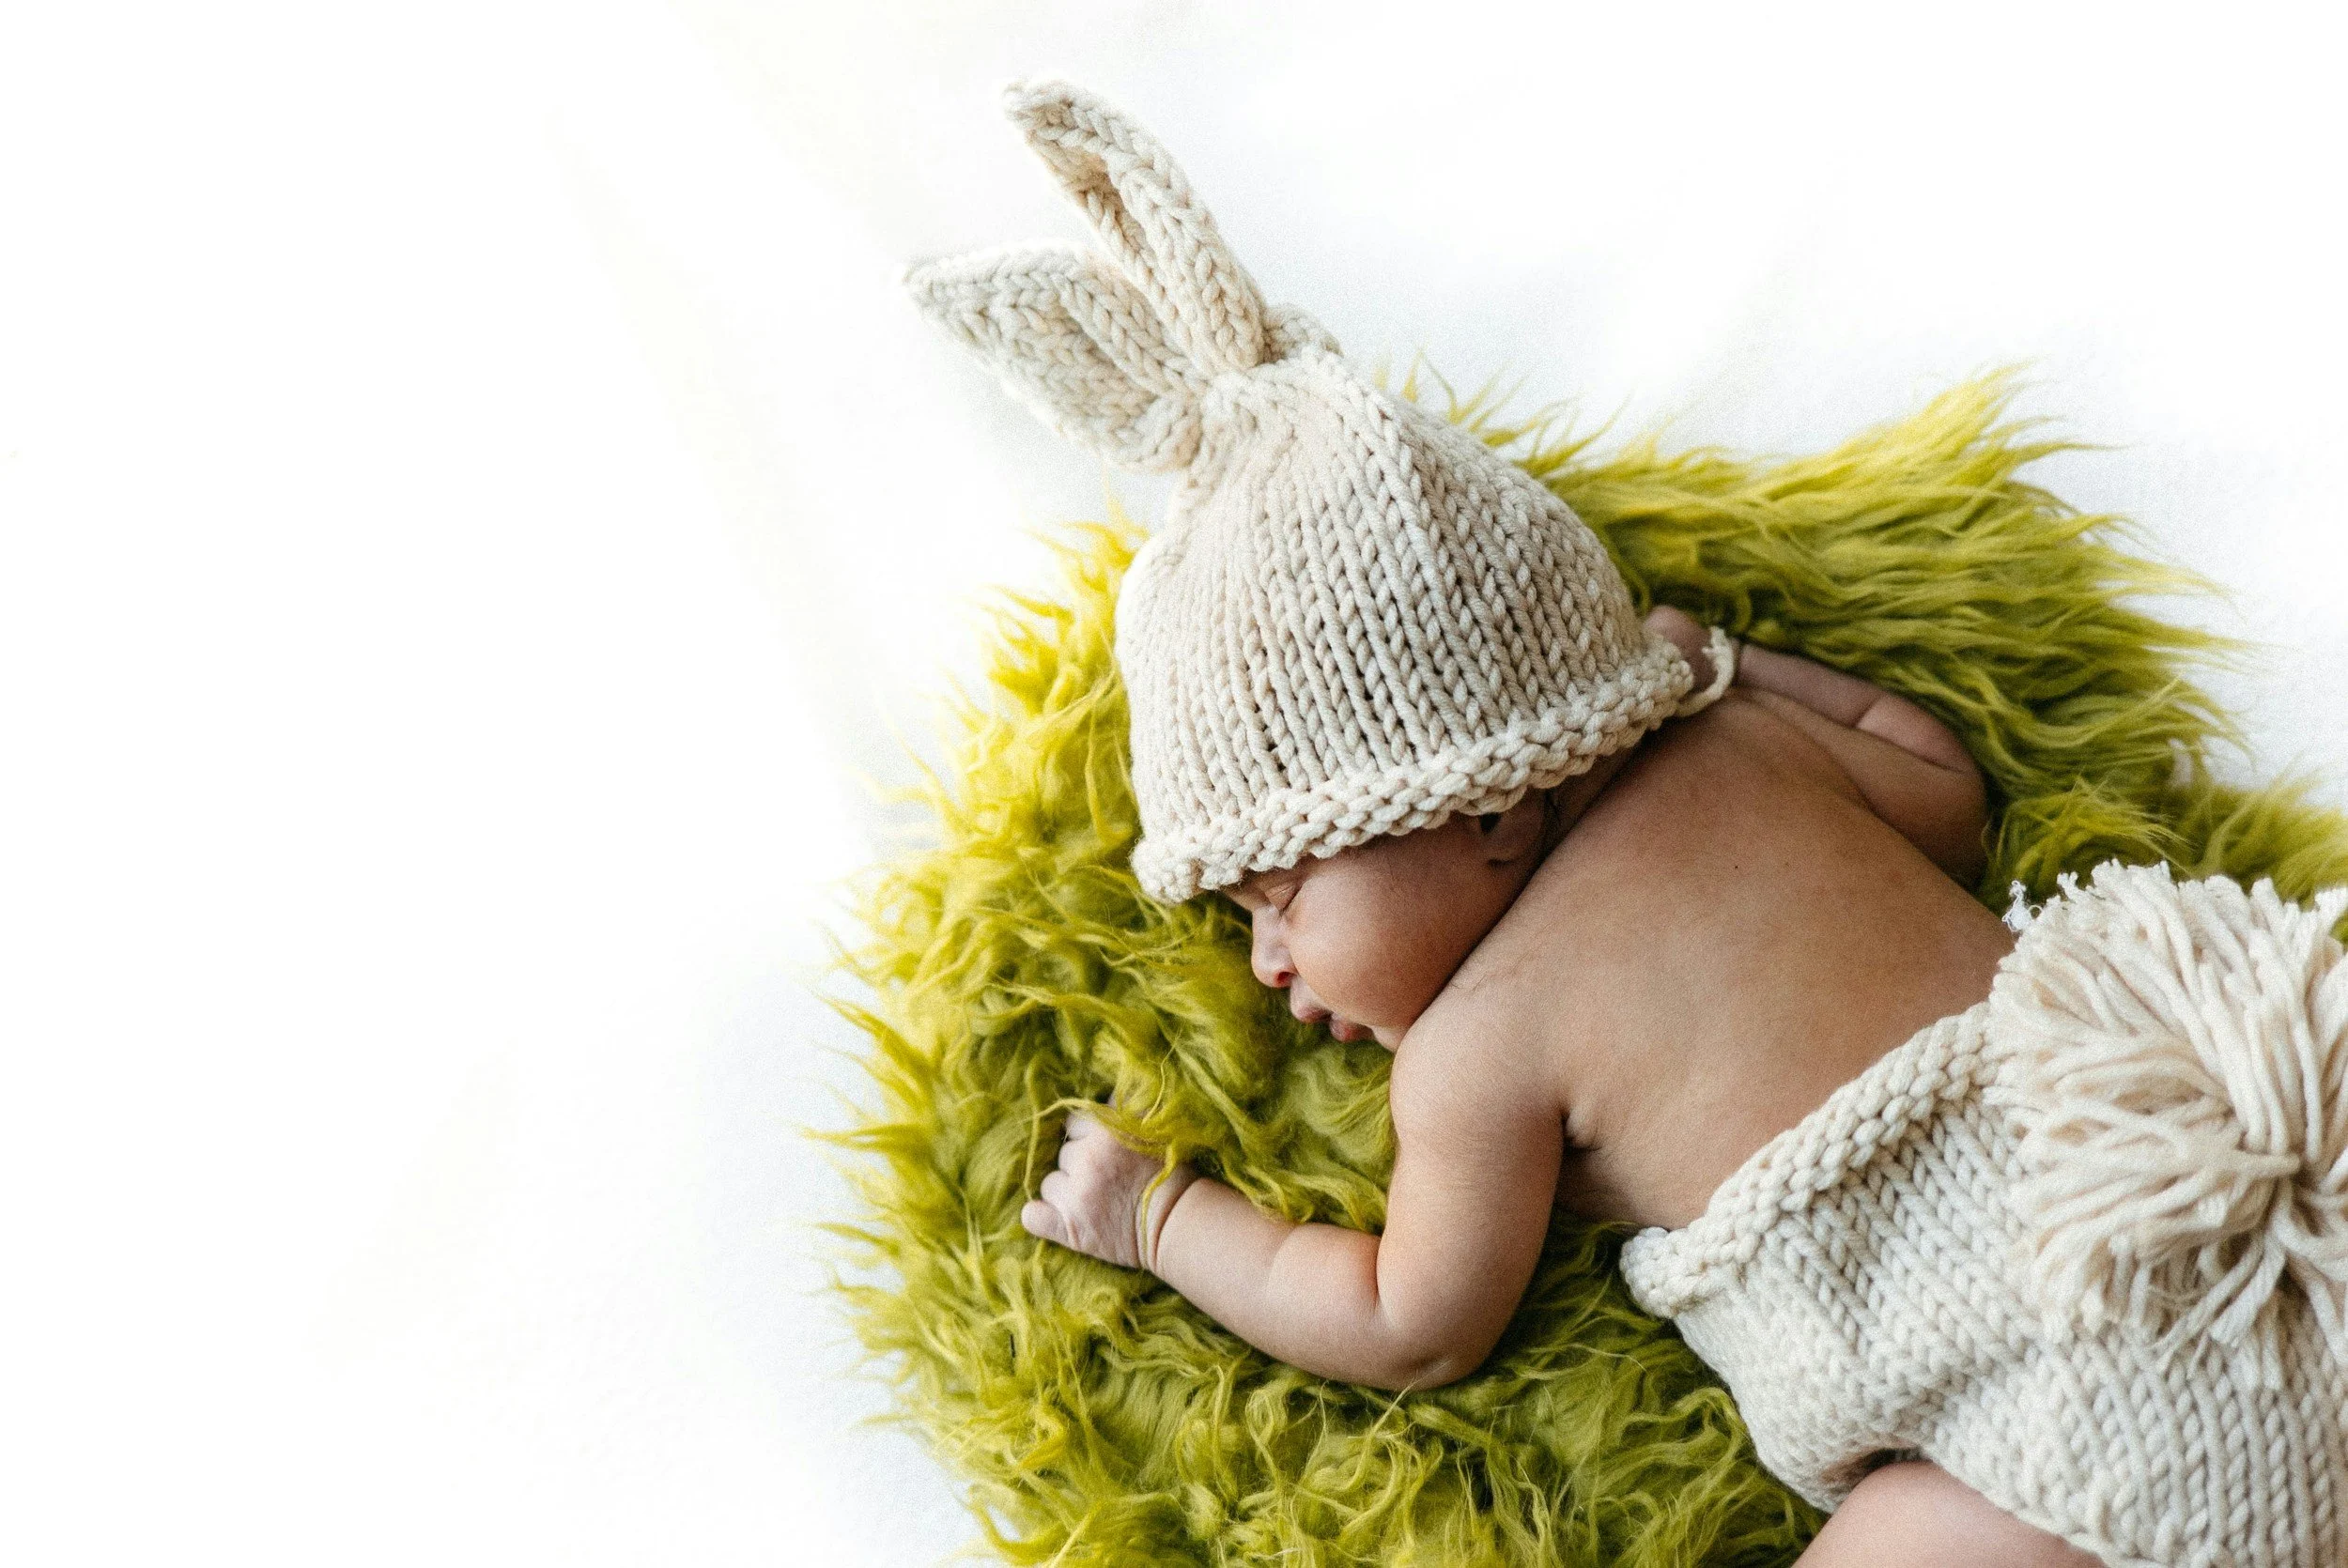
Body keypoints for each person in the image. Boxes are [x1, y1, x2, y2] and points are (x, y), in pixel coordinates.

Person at [904, 78, 2348, 1568]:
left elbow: (1409, 1325)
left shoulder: (1484, 1050)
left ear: (1478, 801)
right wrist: (1719, 671)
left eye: (1279, 888)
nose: (1268, 959)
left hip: (2045, 1435)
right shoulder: (1754, 760)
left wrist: (1159, 1219)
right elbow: (1947, 789)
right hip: (2254, 1256)